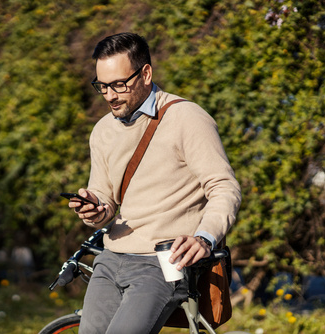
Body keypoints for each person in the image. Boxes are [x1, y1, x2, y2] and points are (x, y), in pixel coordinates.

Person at [68, 32, 241, 334]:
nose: (109, 95)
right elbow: (105, 198)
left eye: (119, 84)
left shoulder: (187, 118)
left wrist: (204, 237)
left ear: (146, 73)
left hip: (162, 262)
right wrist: (95, 209)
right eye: (102, 86)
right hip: (110, 258)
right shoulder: (102, 130)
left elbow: (224, 188)